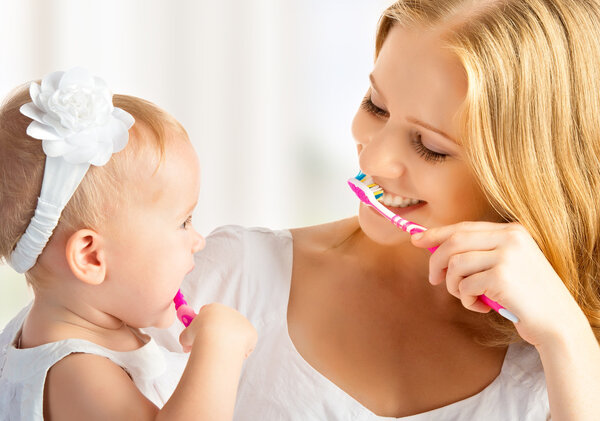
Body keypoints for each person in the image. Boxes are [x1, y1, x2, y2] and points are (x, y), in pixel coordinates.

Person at [149, 0, 600, 419]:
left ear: (532, 175)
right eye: (376, 106)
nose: (371, 161)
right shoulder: (225, 278)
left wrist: (568, 341)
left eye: (431, 147)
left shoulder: (564, 351)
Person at [0, 68, 257, 420]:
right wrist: (220, 347)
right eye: (183, 222)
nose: (197, 241)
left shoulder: (45, 326)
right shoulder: (78, 374)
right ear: (91, 257)